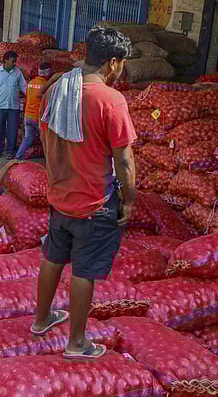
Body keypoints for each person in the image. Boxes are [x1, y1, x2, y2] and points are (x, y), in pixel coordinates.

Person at [31, 25, 137, 359]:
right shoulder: (111, 100)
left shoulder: (58, 89)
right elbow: (124, 159)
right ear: (113, 63)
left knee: (53, 257)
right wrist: (130, 200)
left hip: (60, 196)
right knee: (84, 272)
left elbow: (44, 136)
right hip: (94, 202)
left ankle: (42, 319)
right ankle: (77, 343)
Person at [0, 51, 27, 159]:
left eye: (15, 61)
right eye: (13, 61)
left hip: (13, 106)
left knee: (13, 130)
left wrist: (32, 96)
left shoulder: (17, 73)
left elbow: (24, 87)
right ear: (6, 60)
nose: (14, 63)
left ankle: (10, 151)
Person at [15, 63, 57, 160]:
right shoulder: (46, 86)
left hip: (28, 115)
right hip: (38, 117)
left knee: (28, 138)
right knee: (46, 140)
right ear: (48, 73)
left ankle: (18, 157)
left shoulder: (31, 83)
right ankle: (50, 162)